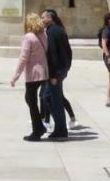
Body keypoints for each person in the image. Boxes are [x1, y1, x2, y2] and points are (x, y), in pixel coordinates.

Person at [10, 13, 49, 141]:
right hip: (43, 71)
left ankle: (36, 131)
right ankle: (39, 127)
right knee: (30, 99)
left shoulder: (29, 37)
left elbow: (23, 57)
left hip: (33, 73)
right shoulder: (43, 35)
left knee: (31, 102)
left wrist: (15, 76)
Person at [41, 9, 72, 139]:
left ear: (50, 18)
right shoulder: (59, 29)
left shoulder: (52, 32)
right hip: (60, 70)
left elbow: (53, 54)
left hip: (55, 72)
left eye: (43, 17)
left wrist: (54, 74)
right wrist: (65, 69)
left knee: (51, 98)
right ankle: (60, 128)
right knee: (50, 97)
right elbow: (69, 52)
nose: (41, 19)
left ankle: (61, 129)